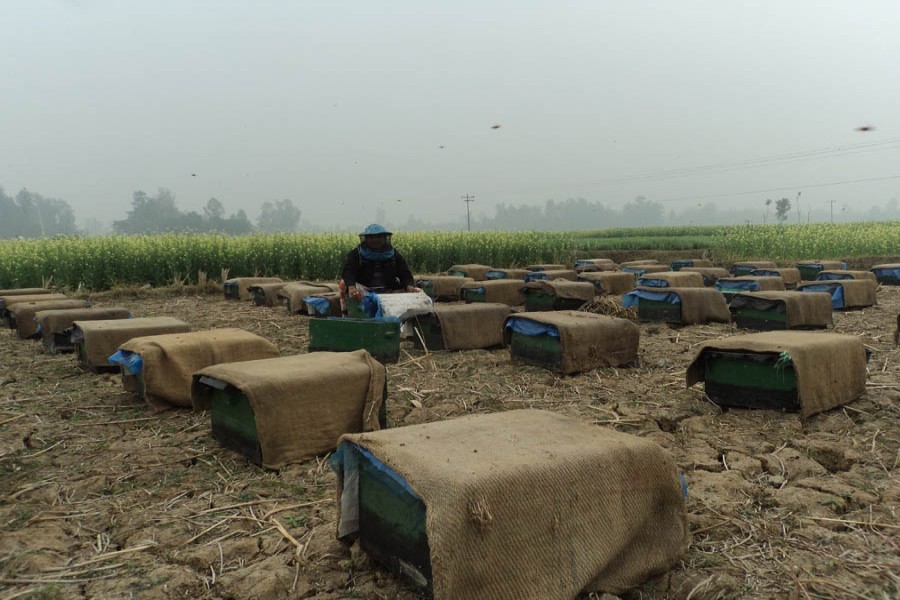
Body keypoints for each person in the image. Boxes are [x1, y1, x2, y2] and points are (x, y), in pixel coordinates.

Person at [339, 224, 419, 314]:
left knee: (415, 292)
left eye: (379, 237)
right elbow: (349, 271)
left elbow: (405, 273)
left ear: (385, 238)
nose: (375, 240)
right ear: (366, 239)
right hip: (365, 290)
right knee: (343, 284)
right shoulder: (356, 253)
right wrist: (352, 287)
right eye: (372, 237)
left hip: (389, 290)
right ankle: (346, 315)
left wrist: (409, 286)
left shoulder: (393, 254)